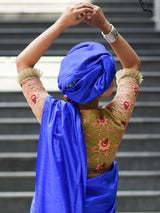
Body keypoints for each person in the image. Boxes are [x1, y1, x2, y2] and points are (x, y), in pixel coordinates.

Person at [16, 3, 142, 213]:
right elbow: (132, 66)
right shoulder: (116, 118)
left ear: (65, 90)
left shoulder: (51, 115)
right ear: (107, 88)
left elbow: (23, 63)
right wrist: (105, 27)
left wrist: (61, 23)